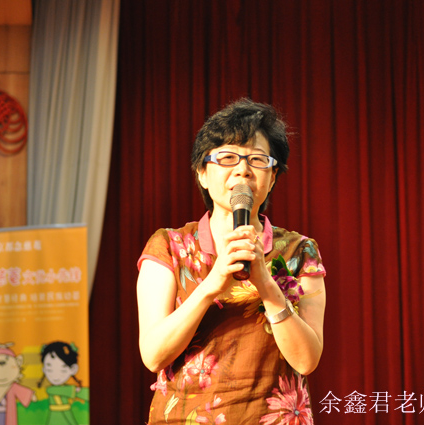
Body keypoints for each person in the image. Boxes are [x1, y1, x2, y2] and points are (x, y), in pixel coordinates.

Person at [137, 98, 326, 424]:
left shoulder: (299, 251)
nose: (242, 169)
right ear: (202, 173)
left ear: (272, 177)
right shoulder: (169, 247)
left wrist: (266, 284)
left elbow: (306, 361)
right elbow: (154, 356)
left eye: (257, 160)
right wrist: (212, 284)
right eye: (227, 158)